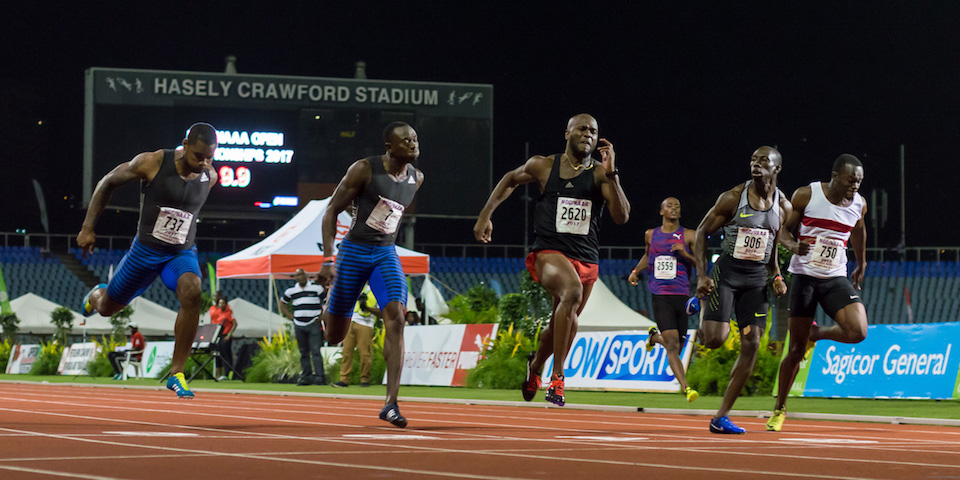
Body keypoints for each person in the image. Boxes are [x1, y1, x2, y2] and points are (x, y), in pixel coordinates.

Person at [475, 114, 630, 407]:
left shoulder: (600, 174)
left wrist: (613, 174)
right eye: (582, 129)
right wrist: (486, 215)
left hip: (586, 258)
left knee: (565, 324)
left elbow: (621, 217)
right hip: (549, 252)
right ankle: (557, 379)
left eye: (594, 131)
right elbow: (510, 179)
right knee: (571, 292)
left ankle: (535, 366)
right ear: (567, 133)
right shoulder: (544, 165)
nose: (588, 134)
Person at [78, 122, 219, 399]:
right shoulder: (152, 162)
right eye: (198, 156)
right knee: (107, 308)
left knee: (192, 291)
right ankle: (94, 295)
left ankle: (176, 373)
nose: (203, 163)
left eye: (209, 157)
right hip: (144, 253)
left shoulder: (210, 177)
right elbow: (107, 183)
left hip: (179, 254)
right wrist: (87, 228)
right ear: (185, 144)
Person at [317, 121, 424, 428]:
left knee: (397, 316)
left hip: (385, 254)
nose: (414, 145)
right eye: (406, 141)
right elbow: (330, 211)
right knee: (334, 335)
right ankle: (328, 308)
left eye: (415, 140)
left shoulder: (416, 178)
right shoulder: (364, 169)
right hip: (353, 252)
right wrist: (328, 259)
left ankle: (391, 403)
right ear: (389, 147)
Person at [693, 146, 791, 434]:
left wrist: (776, 275)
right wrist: (701, 275)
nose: (756, 165)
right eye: (753, 160)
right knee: (714, 340)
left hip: (757, 279)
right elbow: (701, 232)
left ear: (777, 169)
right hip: (728, 273)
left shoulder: (782, 207)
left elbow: (772, 243)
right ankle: (696, 304)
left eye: (764, 161)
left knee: (752, 343)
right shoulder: (733, 198)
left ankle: (720, 416)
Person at [767, 154, 868, 432]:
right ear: (835, 175)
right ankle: (779, 408)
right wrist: (791, 244)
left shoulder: (859, 203)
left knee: (858, 330)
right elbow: (781, 230)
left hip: (835, 276)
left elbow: (859, 230)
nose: (855, 186)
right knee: (796, 350)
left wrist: (861, 262)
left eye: (859, 181)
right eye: (850, 180)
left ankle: (817, 333)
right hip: (805, 277)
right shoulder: (807, 195)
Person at [627, 197, 699, 402]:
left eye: (677, 206)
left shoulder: (689, 235)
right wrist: (635, 271)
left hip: (682, 295)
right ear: (661, 211)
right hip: (660, 295)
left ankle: (653, 338)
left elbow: (700, 263)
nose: (674, 208)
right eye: (669, 206)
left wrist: (685, 253)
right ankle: (686, 388)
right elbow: (647, 256)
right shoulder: (651, 235)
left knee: (677, 346)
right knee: (673, 346)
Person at [279, 268, 328, 386]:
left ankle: (320, 377)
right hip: (299, 324)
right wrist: (289, 315)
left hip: (313, 323)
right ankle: (306, 377)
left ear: (306, 276)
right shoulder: (291, 291)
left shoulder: (317, 288)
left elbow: (327, 302)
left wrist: (322, 316)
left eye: (301, 275)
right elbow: (282, 303)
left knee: (315, 351)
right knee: (303, 352)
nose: (299, 277)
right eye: (297, 276)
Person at [334, 284, 379, 388]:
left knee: (365, 353)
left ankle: (365, 379)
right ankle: (344, 379)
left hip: (365, 324)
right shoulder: (352, 288)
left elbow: (381, 311)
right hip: (349, 322)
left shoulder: (374, 291)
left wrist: (367, 307)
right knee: (346, 352)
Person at [209, 295, 237, 380]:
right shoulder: (217, 312)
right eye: (220, 303)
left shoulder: (229, 312)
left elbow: (235, 324)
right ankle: (218, 375)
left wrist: (229, 335)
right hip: (218, 336)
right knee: (218, 355)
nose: (221, 304)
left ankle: (228, 374)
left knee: (226, 355)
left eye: (223, 303)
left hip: (226, 336)